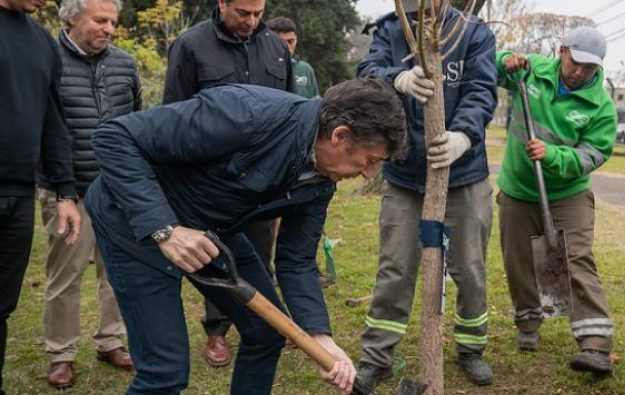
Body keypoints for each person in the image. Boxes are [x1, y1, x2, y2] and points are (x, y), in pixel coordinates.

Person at [87, 78, 406, 394]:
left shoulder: (320, 183)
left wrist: (320, 337)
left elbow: (296, 261)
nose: (368, 174)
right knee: (164, 371)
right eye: (371, 160)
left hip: (210, 226)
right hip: (132, 221)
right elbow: (115, 137)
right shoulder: (246, 113)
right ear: (340, 135)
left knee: (266, 333)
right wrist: (164, 228)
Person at [354, 0, 497, 390]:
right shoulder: (390, 29)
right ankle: (377, 356)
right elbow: (367, 74)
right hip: (404, 173)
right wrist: (396, 78)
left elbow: (482, 91)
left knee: (469, 267)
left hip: (464, 174)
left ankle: (470, 347)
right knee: (395, 268)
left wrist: (464, 135)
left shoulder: (473, 32)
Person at [163, 0, 293, 367]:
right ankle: (217, 330)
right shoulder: (190, 45)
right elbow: (173, 114)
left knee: (259, 254)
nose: (251, 21)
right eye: (242, 13)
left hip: (262, 179)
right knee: (214, 256)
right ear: (221, 4)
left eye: (258, 13)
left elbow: (288, 110)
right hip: (212, 180)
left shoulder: (276, 49)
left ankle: (269, 323)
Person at [495, 26, 618, 375]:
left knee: (574, 258)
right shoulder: (531, 70)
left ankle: (595, 344)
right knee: (519, 260)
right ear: (562, 51)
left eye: (589, 68)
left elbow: (592, 155)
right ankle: (529, 323)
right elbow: (487, 65)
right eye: (576, 62)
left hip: (568, 193)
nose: (580, 72)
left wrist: (553, 156)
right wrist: (507, 60)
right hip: (518, 189)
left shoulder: (600, 106)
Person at [35, 0, 141, 388]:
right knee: (66, 275)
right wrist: (58, 187)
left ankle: (110, 339)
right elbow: (41, 128)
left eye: (113, 21)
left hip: (116, 188)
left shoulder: (125, 64)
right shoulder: (47, 58)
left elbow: (136, 122)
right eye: (100, 20)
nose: (109, 28)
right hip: (68, 191)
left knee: (117, 273)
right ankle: (61, 353)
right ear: (70, 17)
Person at [0, 0, 82, 393]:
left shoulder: (42, 42)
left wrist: (66, 191)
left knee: (2, 305)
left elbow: (54, 122)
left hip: (18, 192)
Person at [267, 16, 320, 98]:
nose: (287, 47)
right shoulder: (260, 68)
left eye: (291, 41)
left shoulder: (305, 69)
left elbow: (314, 103)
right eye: (282, 42)